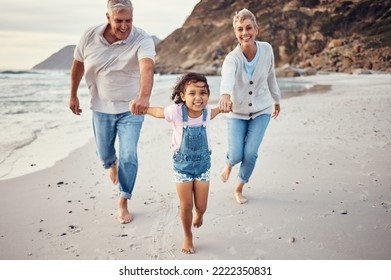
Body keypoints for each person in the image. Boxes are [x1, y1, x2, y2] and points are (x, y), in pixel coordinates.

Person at [69, 0, 155, 224]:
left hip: (131, 108)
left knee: (129, 155)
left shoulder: (142, 39)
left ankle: (123, 200)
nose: (125, 26)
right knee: (104, 154)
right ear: (108, 17)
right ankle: (111, 164)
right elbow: (78, 64)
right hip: (101, 107)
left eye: (129, 20)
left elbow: (147, 67)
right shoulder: (89, 36)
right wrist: (73, 94)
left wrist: (144, 97)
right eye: (119, 21)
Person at [136, 73, 220, 254]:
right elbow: (159, 112)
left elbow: (214, 112)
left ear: (208, 95)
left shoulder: (206, 112)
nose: (198, 98)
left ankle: (200, 215)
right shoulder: (176, 111)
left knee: (201, 206)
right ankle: (188, 235)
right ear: (182, 96)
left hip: (203, 166)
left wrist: (223, 107)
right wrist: (144, 108)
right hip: (182, 167)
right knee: (186, 206)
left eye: (203, 93)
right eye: (192, 93)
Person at [219, 8, 281, 204]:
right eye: (240, 29)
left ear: (256, 29)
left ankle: (239, 187)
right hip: (237, 112)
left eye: (248, 28)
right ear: (235, 33)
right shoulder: (232, 58)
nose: (244, 33)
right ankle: (229, 163)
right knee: (237, 154)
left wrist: (276, 100)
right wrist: (225, 95)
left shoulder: (267, 49)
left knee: (251, 153)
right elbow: (227, 77)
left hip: (261, 110)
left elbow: (271, 75)